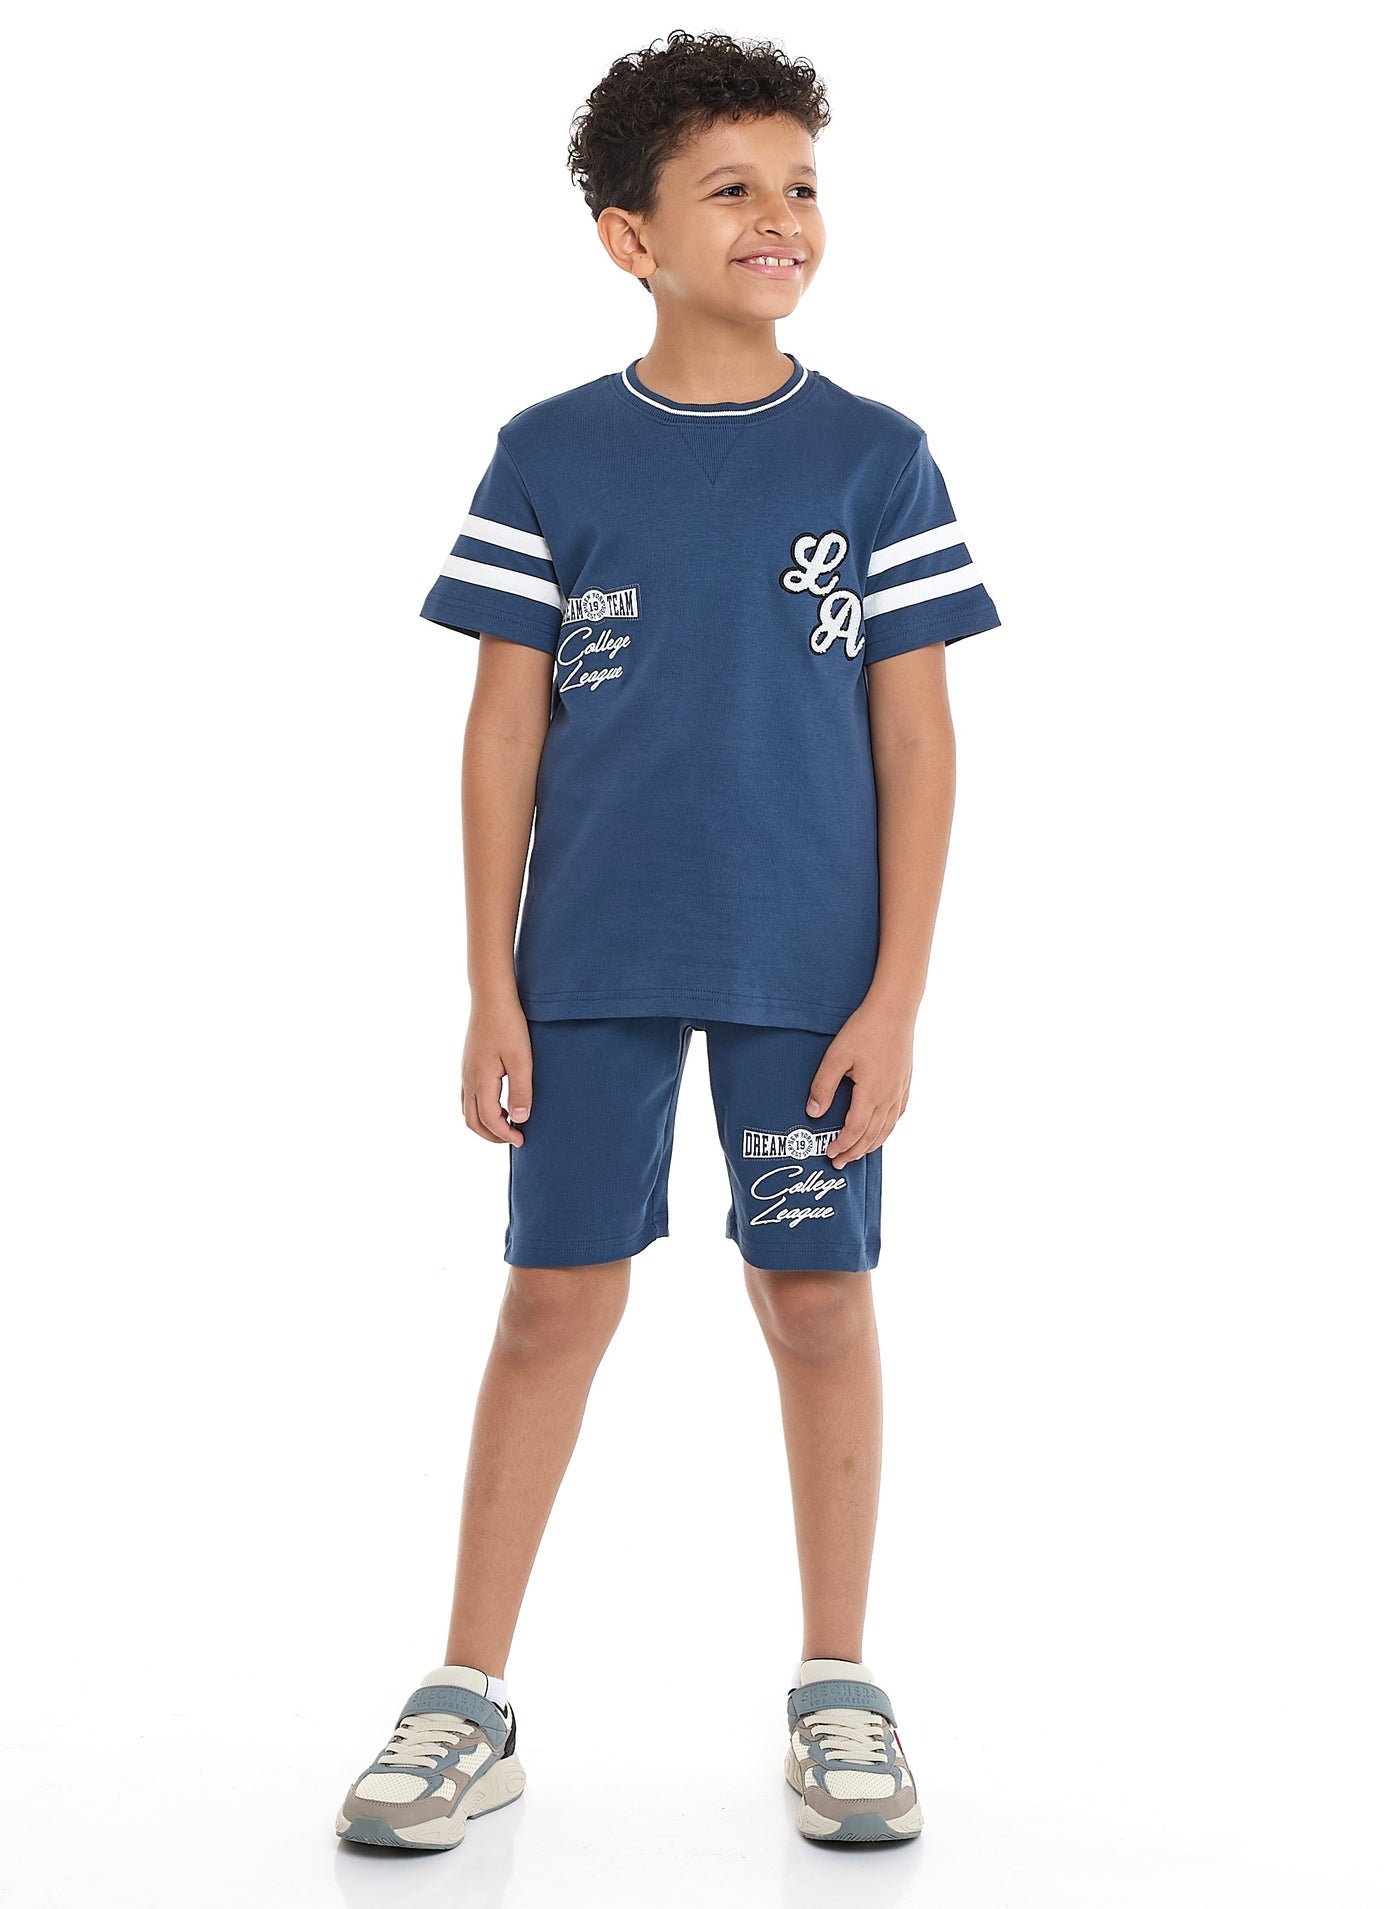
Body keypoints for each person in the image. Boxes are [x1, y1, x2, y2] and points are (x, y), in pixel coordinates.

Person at [336, 29, 1001, 1853]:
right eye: (732, 188)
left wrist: (897, 995)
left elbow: (920, 744)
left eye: (802, 184)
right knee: (552, 1297)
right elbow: (502, 731)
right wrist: (489, 981)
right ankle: (467, 1694)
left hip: (811, 975)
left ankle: (839, 1684)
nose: (781, 216)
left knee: (817, 1299)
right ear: (631, 237)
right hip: (588, 966)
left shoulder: (877, 459)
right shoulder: (550, 453)